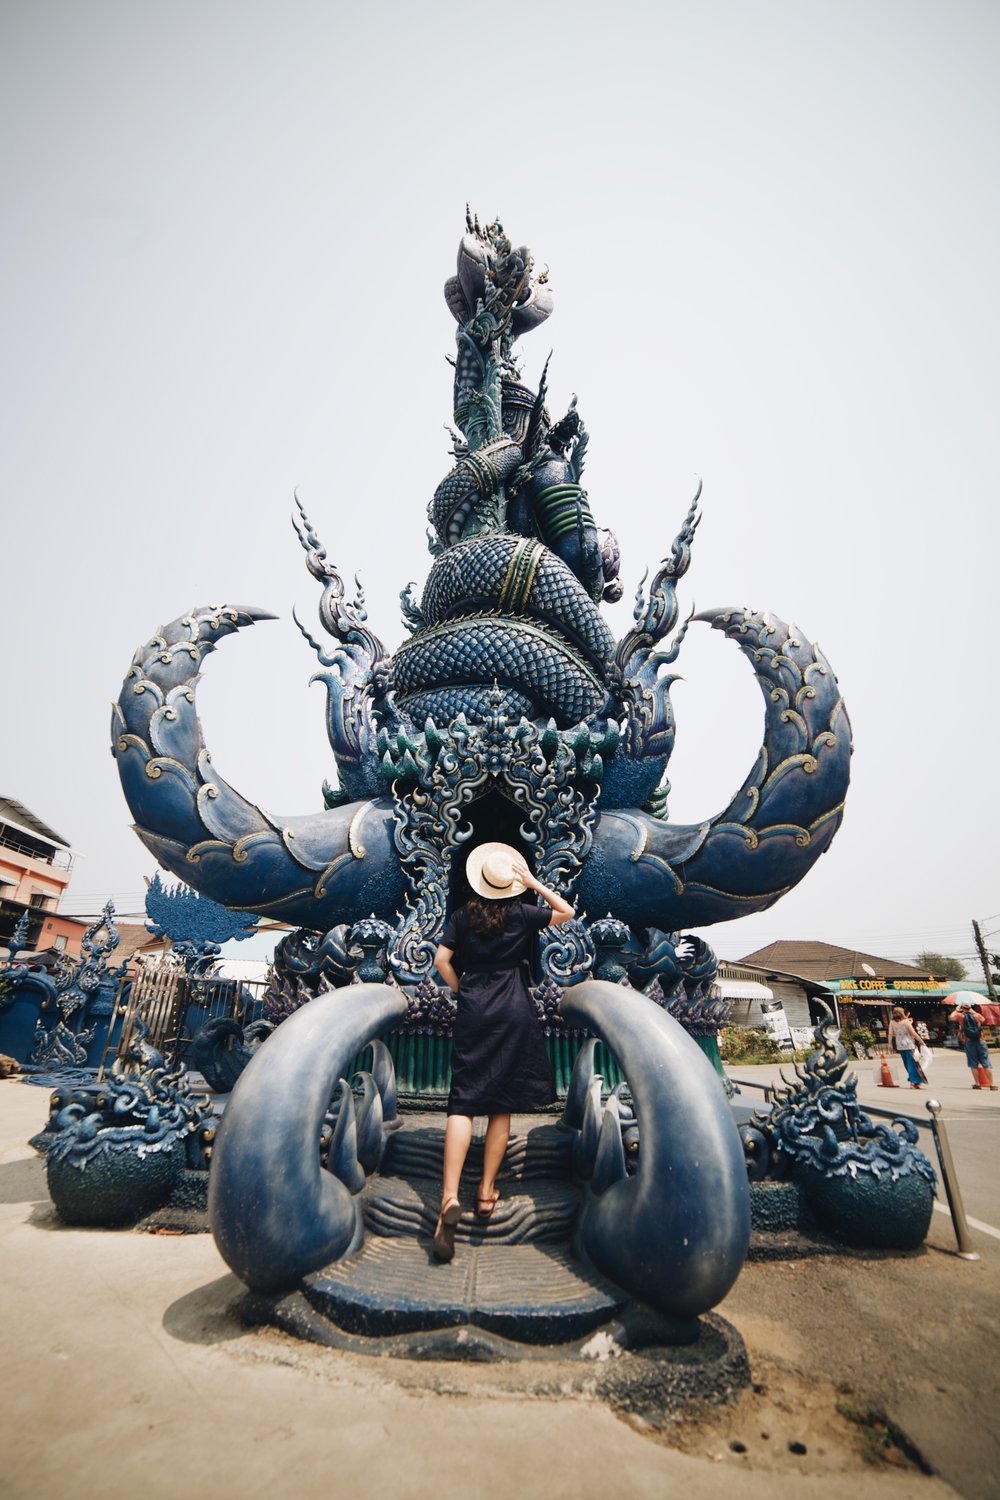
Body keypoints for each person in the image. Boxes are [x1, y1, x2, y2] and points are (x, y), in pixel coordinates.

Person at [430, 842, 573, 1262]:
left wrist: (463, 990)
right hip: (513, 1007)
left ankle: (448, 1198)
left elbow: (441, 960)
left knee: (463, 1102)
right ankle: (487, 1190)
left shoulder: (462, 916)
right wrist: (533, 883)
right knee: (500, 1103)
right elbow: (566, 912)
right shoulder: (521, 913)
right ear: (508, 885)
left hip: (475, 1006)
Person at [948, 998, 997, 1090]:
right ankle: (992, 1084)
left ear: (962, 1008)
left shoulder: (960, 1016)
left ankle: (977, 1084)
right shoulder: (977, 1016)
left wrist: (956, 1009)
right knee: (986, 1062)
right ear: (970, 1007)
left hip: (969, 1041)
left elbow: (951, 1017)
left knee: (973, 1063)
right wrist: (972, 1011)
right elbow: (983, 1019)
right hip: (980, 1040)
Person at [887, 1006, 925, 1088]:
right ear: (902, 1013)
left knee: (907, 1064)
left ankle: (913, 1080)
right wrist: (921, 1041)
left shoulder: (892, 1022)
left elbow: (890, 1034)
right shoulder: (906, 1022)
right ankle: (914, 1081)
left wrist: (889, 1043)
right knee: (912, 1064)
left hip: (900, 1045)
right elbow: (913, 1033)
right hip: (909, 1045)